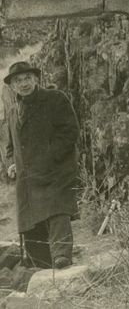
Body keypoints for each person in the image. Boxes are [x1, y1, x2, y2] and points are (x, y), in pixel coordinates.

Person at [3, 61, 80, 269]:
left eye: (27, 78)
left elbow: (69, 132)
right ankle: (40, 265)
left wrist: (47, 157)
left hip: (55, 172)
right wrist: (11, 164)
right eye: (18, 81)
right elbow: (10, 147)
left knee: (57, 211)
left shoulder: (55, 99)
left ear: (36, 79)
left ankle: (61, 257)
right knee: (31, 219)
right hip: (27, 178)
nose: (24, 83)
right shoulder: (11, 112)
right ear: (12, 86)